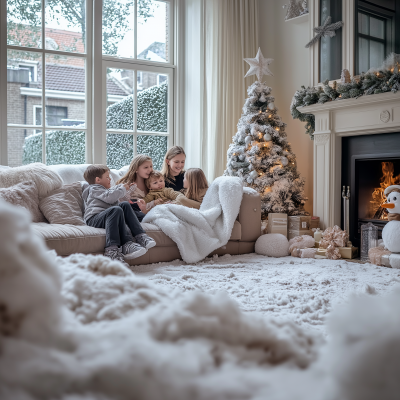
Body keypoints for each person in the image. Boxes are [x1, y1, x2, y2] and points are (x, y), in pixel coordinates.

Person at [82, 164, 156, 265]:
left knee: (124, 205)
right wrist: (122, 189)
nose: (110, 179)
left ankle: (140, 236)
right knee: (116, 210)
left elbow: (113, 196)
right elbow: (109, 197)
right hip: (94, 218)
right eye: (107, 177)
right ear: (98, 180)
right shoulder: (94, 189)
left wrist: (124, 189)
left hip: (108, 216)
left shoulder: (105, 191)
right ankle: (111, 251)